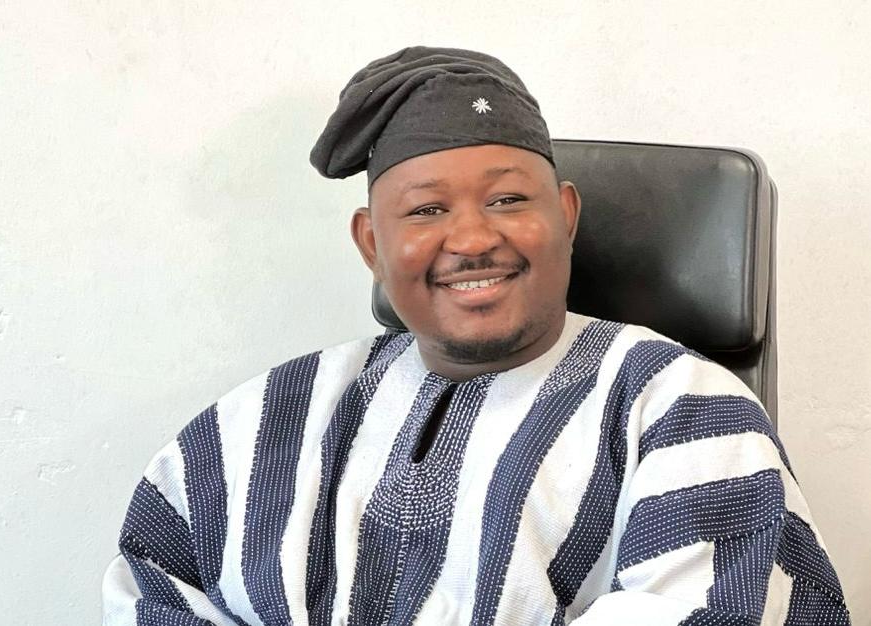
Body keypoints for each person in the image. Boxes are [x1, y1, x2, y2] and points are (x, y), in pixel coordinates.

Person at [102, 47, 851, 625]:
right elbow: (151, 589)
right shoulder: (264, 418)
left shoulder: (680, 408)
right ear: (371, 244)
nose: (472, 239)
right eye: (426, 210)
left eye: (508, 199)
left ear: (566, 215)